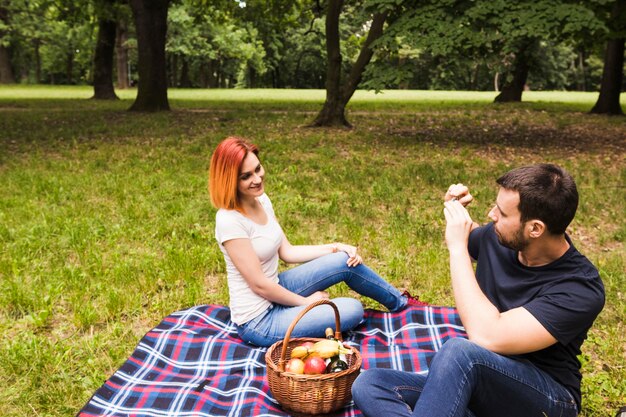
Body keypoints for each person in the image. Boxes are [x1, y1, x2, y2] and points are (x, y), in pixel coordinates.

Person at [352, 163, 605, 417]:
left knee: (460, 352)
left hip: (547, 397)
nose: (492, 214)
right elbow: (471, 232)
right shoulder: (501, 239)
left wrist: (457, 249)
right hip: (481, 381)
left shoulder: (580, 287)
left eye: (503, 213)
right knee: (371, 384)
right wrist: (455, 208)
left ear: (535, 229)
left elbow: (486, 336)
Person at [208, 136, 425, 347]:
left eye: (257, 169)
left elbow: (287, 252)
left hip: (276, 288)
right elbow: (259, 285)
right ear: (230, 180)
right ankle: (300, 311)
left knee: (342, 260)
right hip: (259, 321)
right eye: (246, 176)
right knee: (353, 309)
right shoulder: (229, 220)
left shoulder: (261, 200)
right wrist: (307, 302)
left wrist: (336, 247)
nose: (257, 179)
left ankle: (402, 304)